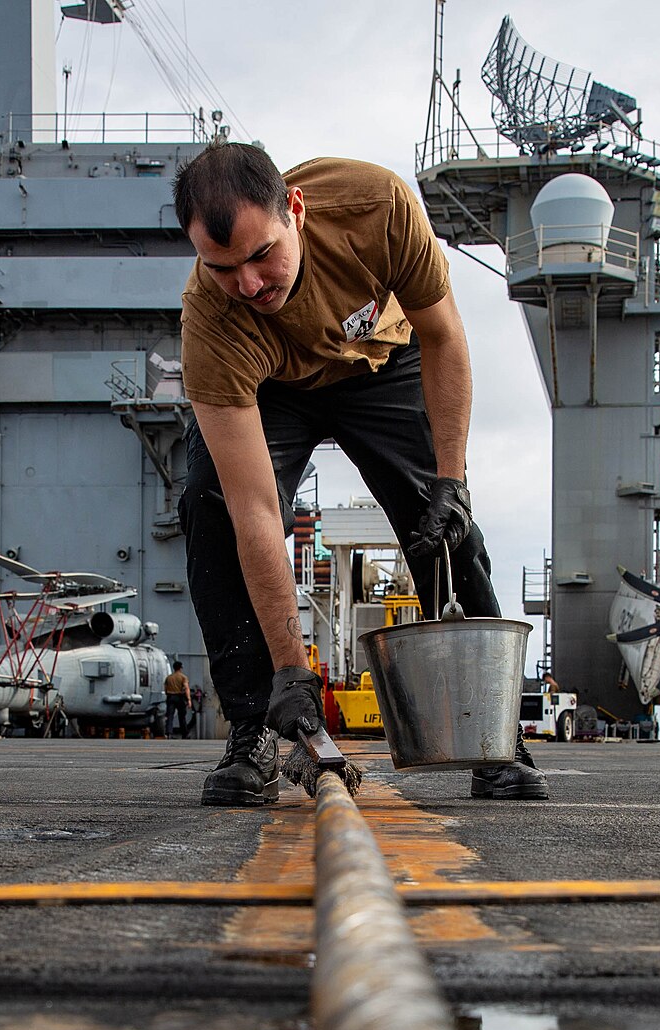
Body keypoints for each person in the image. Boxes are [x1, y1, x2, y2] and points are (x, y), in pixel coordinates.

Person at [172, 143, 548, 805]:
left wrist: (450, 483)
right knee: (209, 504)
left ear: (295, 208)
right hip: (275, 388)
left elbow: (444, 336)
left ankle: (494, 737)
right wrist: (292, 669)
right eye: (224, 267)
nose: (251, 285)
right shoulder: (212, 318)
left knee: (442, 524)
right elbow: (255, 510)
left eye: (262, 255)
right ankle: (255, 730)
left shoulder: (375, 205)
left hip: (385, 361)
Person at [163, 661, 193, 738]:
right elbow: (186, 688)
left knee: (170, 716)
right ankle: (184, 733)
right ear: (180, 668)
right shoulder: (183, 677)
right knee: (182, 716)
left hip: (170, 697)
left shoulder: (169, 678)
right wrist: (189, 699)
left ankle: (169, 732)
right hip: (180, 697)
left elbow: (165, 689)